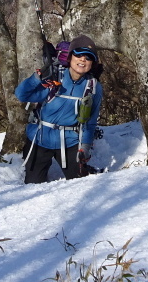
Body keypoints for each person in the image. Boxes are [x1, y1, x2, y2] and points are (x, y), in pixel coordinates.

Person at [15, 34, 103, 184]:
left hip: (70, 141)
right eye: (79, 55)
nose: (83, 60)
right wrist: (36, 78)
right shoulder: (55, 78)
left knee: (80, 184)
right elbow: (21, 95)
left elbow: (90, 121)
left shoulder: (93, 87)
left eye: (88, 58)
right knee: (33, 185)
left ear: (92, 63)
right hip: (40, 138)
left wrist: (85, 146)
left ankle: (85, 169)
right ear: (70, 57)